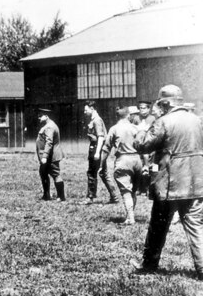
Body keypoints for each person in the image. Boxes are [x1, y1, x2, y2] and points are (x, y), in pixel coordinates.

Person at [132, 85, 203, 277]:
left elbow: (143, 146)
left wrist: (141, 129)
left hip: (168, 184)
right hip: (195, 182)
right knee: (196, 226)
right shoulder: (196, 120)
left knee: (158, 226)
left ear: (165, 103)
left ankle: (148, 265)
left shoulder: (163, 121)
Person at [100, 105, 143, 224]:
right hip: (137, 160)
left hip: (123, 160)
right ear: (128, 115)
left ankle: (130, 217)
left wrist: (101, 164)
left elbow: (106, 148)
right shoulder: (136, 128)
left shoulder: (114, 129)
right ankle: (130, 215)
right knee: (133, 191)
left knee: (125, 191)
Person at [84, 101, 119, 205]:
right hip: (95, 148)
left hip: (96, 149)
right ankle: (114, 197)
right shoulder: (94, 120)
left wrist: (97, 153)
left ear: (92, 108)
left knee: (92, 173)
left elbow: (101, 137)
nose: (84, 112)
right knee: (103, 173)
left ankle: (90, 197)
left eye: (86, 110)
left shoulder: (97, 121)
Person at [36, 108, 66, 201]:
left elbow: (49, 142)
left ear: (46, 116)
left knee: (55, 174)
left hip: (51, 156)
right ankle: (46, 195)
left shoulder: (50, 127)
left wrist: (45, 156)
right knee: (43, 172)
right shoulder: (48, 125)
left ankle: (61, 196)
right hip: (49, 156)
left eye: (41, 116)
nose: (39, 118)